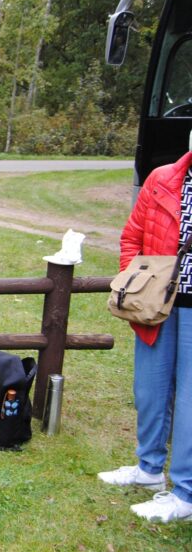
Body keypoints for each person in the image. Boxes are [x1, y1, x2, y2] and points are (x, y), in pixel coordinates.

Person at [98, 150, 192, 522]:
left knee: (188, 400)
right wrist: (133, 284)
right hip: (157, 306)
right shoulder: (163, 177)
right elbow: (131, 235)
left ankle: (185, 493)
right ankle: (149, 468)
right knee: (149, 389)